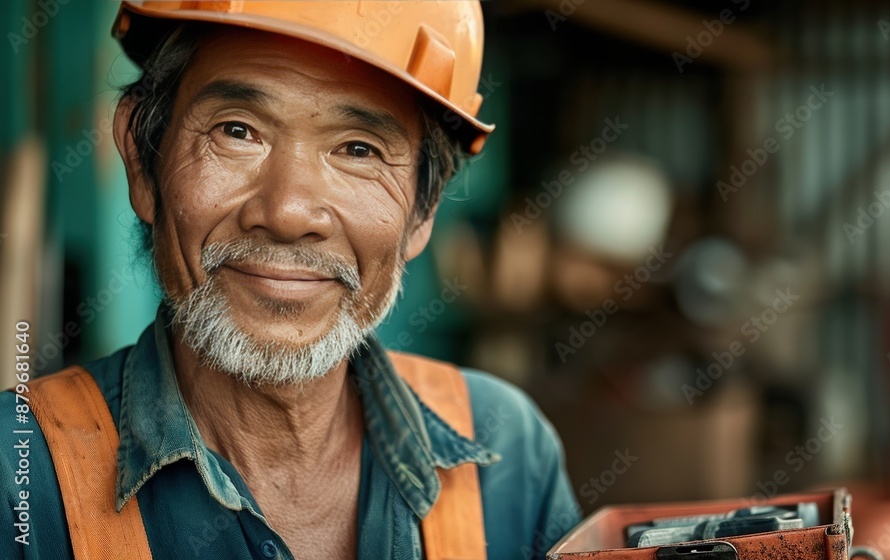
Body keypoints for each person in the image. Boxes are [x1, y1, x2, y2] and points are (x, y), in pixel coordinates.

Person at [1, 2, 580, 559]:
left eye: (359, 149)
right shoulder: (16, 479)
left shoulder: (508, 454)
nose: (287, 213)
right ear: (142, 160)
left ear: (423, 212)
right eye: (237, 130)